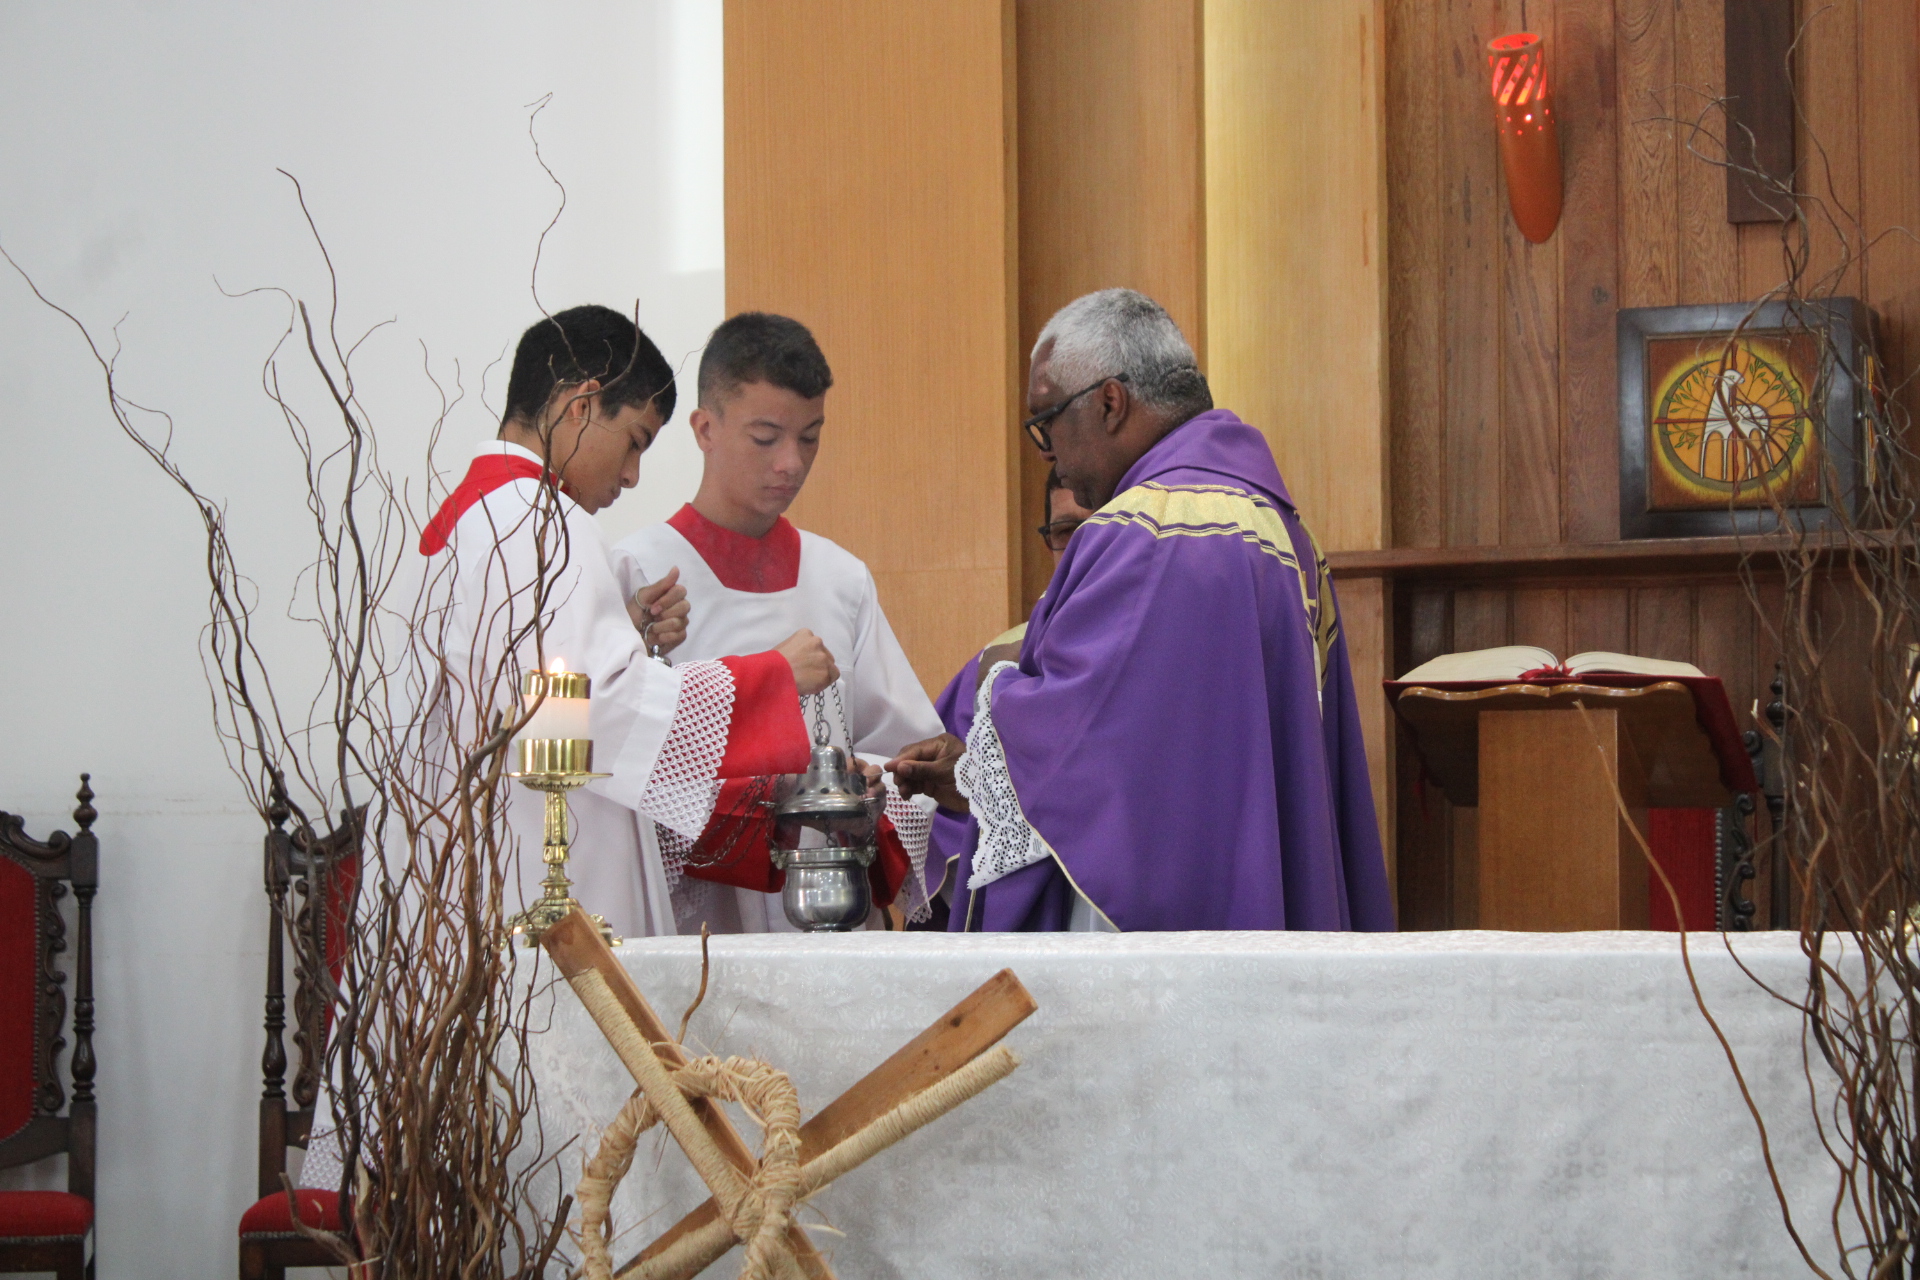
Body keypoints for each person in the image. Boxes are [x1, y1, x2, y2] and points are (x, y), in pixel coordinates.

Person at [889, 289, 1394, 933]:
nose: (1045, 451)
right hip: (1254, 893)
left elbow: (1080, 738)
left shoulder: (1149, 528)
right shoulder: (1281, 530)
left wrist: (986, 736)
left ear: (1109, 402)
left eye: (1047, 419)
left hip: (1157, 926)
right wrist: (974, 769)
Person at [418, 304, 840, 938]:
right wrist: (771, 677)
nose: (631, 476)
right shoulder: (543, 523)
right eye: (634, 442)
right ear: (582, 404)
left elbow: (525, 687)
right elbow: (600, 711)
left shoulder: (471, 513)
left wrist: (624, 629)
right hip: (544, 878)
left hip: (466, 860)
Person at [609, 312, 943, 931]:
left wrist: (872, 786)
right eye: (766, 438)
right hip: (702, 920)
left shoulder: (840, 578)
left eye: (810, 437)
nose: (791, 462)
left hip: (831, 908)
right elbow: (620, 760)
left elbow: (900, 755)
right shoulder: (639, 571)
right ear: (705, 429)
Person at [921, 469, 1093, 928]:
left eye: (1097, 526)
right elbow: (951, 835)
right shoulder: (992, 667)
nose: (1082, 546)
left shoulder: (1152, 649)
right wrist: (969, 787)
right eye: (1065, 532)